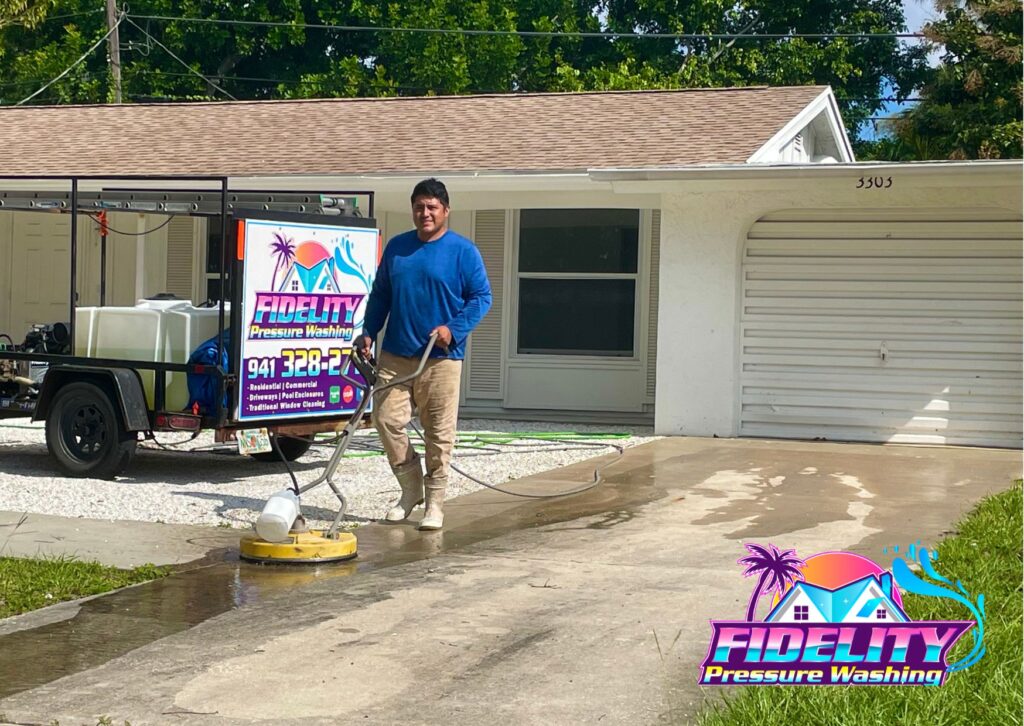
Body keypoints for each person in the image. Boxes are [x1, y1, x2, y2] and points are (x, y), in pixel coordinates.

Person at [355, 178, 492, 530]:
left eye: (432, 207)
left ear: (446, 210)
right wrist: (369, 331)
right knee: (386, 421)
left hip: (441, 358)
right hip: (396, 354)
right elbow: (381, 294)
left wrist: (454, 328)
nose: (425, 213)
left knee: (438, 434)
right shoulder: (399, 248)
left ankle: (434, 504)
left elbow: (481, 297)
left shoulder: (463, 252)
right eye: (419, 206)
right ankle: (410, 488)